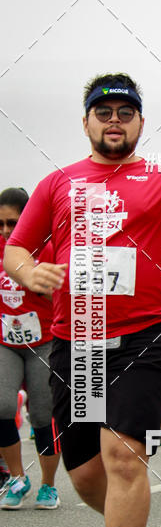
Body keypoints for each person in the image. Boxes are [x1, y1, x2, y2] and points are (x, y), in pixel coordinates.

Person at [3, 73, 161, 527]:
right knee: (89, 474)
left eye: (125, 112)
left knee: (123, 455)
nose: (115, 121)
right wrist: (30, 271)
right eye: (104, 112)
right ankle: (125, 512)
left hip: (144, 336)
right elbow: (17, 248)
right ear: (86, 121)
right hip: (79, 342)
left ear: (140, 122)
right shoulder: (58, 182)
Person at [0, 187, 60, 509]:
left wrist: (36, 283)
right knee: (0, 405)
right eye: (0, 224)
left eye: (12, 223)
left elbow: (64, 296)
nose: (6, 230)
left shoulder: (47, 248)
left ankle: (48, 485)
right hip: (5, 342)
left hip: (44, 341)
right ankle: (17, 478)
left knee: (42, 414)